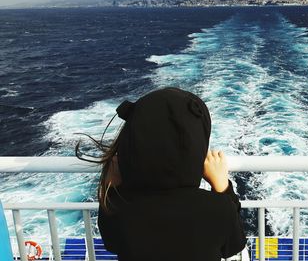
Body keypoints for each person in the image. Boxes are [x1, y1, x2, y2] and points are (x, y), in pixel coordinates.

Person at [76, 87, 247, 261]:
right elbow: (234, 244)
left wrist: (111, 182)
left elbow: (111, 243)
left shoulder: (119, 207)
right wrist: (222, 187)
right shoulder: (216, 208)